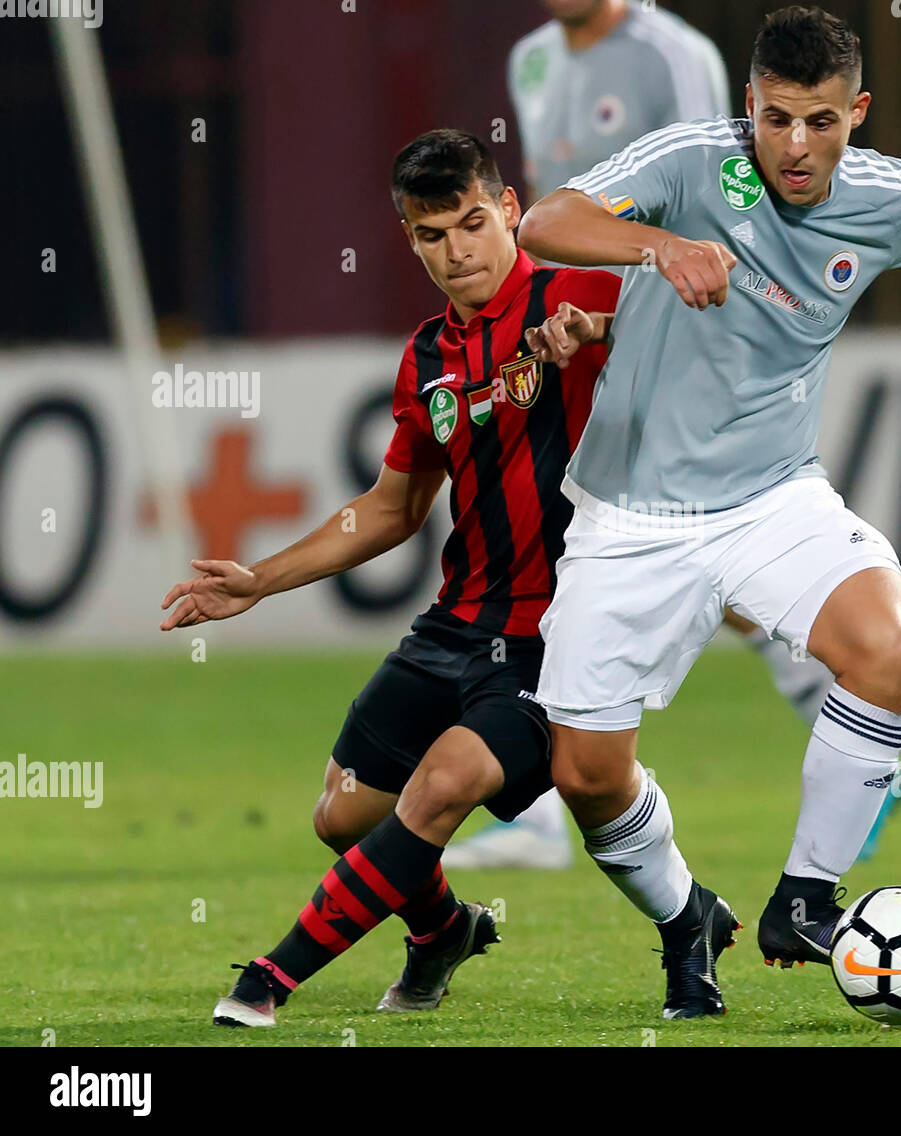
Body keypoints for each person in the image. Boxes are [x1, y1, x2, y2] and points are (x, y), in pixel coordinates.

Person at [516, 4, 901, 1018]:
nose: (795, 144)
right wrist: (657, 247)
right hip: (630, 514)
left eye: (820, 121)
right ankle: (686, 911)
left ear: (855, 114)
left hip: (773, 495)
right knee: (587, 775)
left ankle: (804, 897)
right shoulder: (691, 160)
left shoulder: (885, 197)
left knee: (893, 650)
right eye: (776, 118)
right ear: (749, 105)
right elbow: (541, 222)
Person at [158, 129, 621, 1025]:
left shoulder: (582, 292)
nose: (458, 252)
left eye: (474, 223)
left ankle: (270, 980)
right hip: (458, 617)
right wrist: (259, 579)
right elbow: (390, 510)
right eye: (431, 234)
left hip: (557, 628)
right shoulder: (427, 359)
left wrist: (605, 330)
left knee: (440, 787)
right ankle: (443, 930)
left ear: (512, 213)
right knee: (340, 815)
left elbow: (694, 329)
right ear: (409, 238)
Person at [446, 0, 845, 872]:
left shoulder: (673, 54)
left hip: (661, 330)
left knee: (691, 539)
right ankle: (552, 793)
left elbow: (725, 201)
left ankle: (824, 698)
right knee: (569, 537)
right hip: (563, 327)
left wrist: (636, 323)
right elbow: (552, 215)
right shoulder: (533, 60)